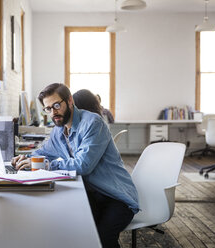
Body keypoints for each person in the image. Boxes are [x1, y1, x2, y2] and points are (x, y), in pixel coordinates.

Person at [12, 83, 138, 248]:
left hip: (115, 197)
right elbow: (44, 152)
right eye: (48, 109)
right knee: (74, 230)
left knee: (102, 238)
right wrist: (25, 158)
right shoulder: (59, 129)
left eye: (56, 105)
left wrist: (45, 165)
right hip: (90, 194)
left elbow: (83, 165)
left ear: (70, 101)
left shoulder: (93, 123)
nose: (53, 112)